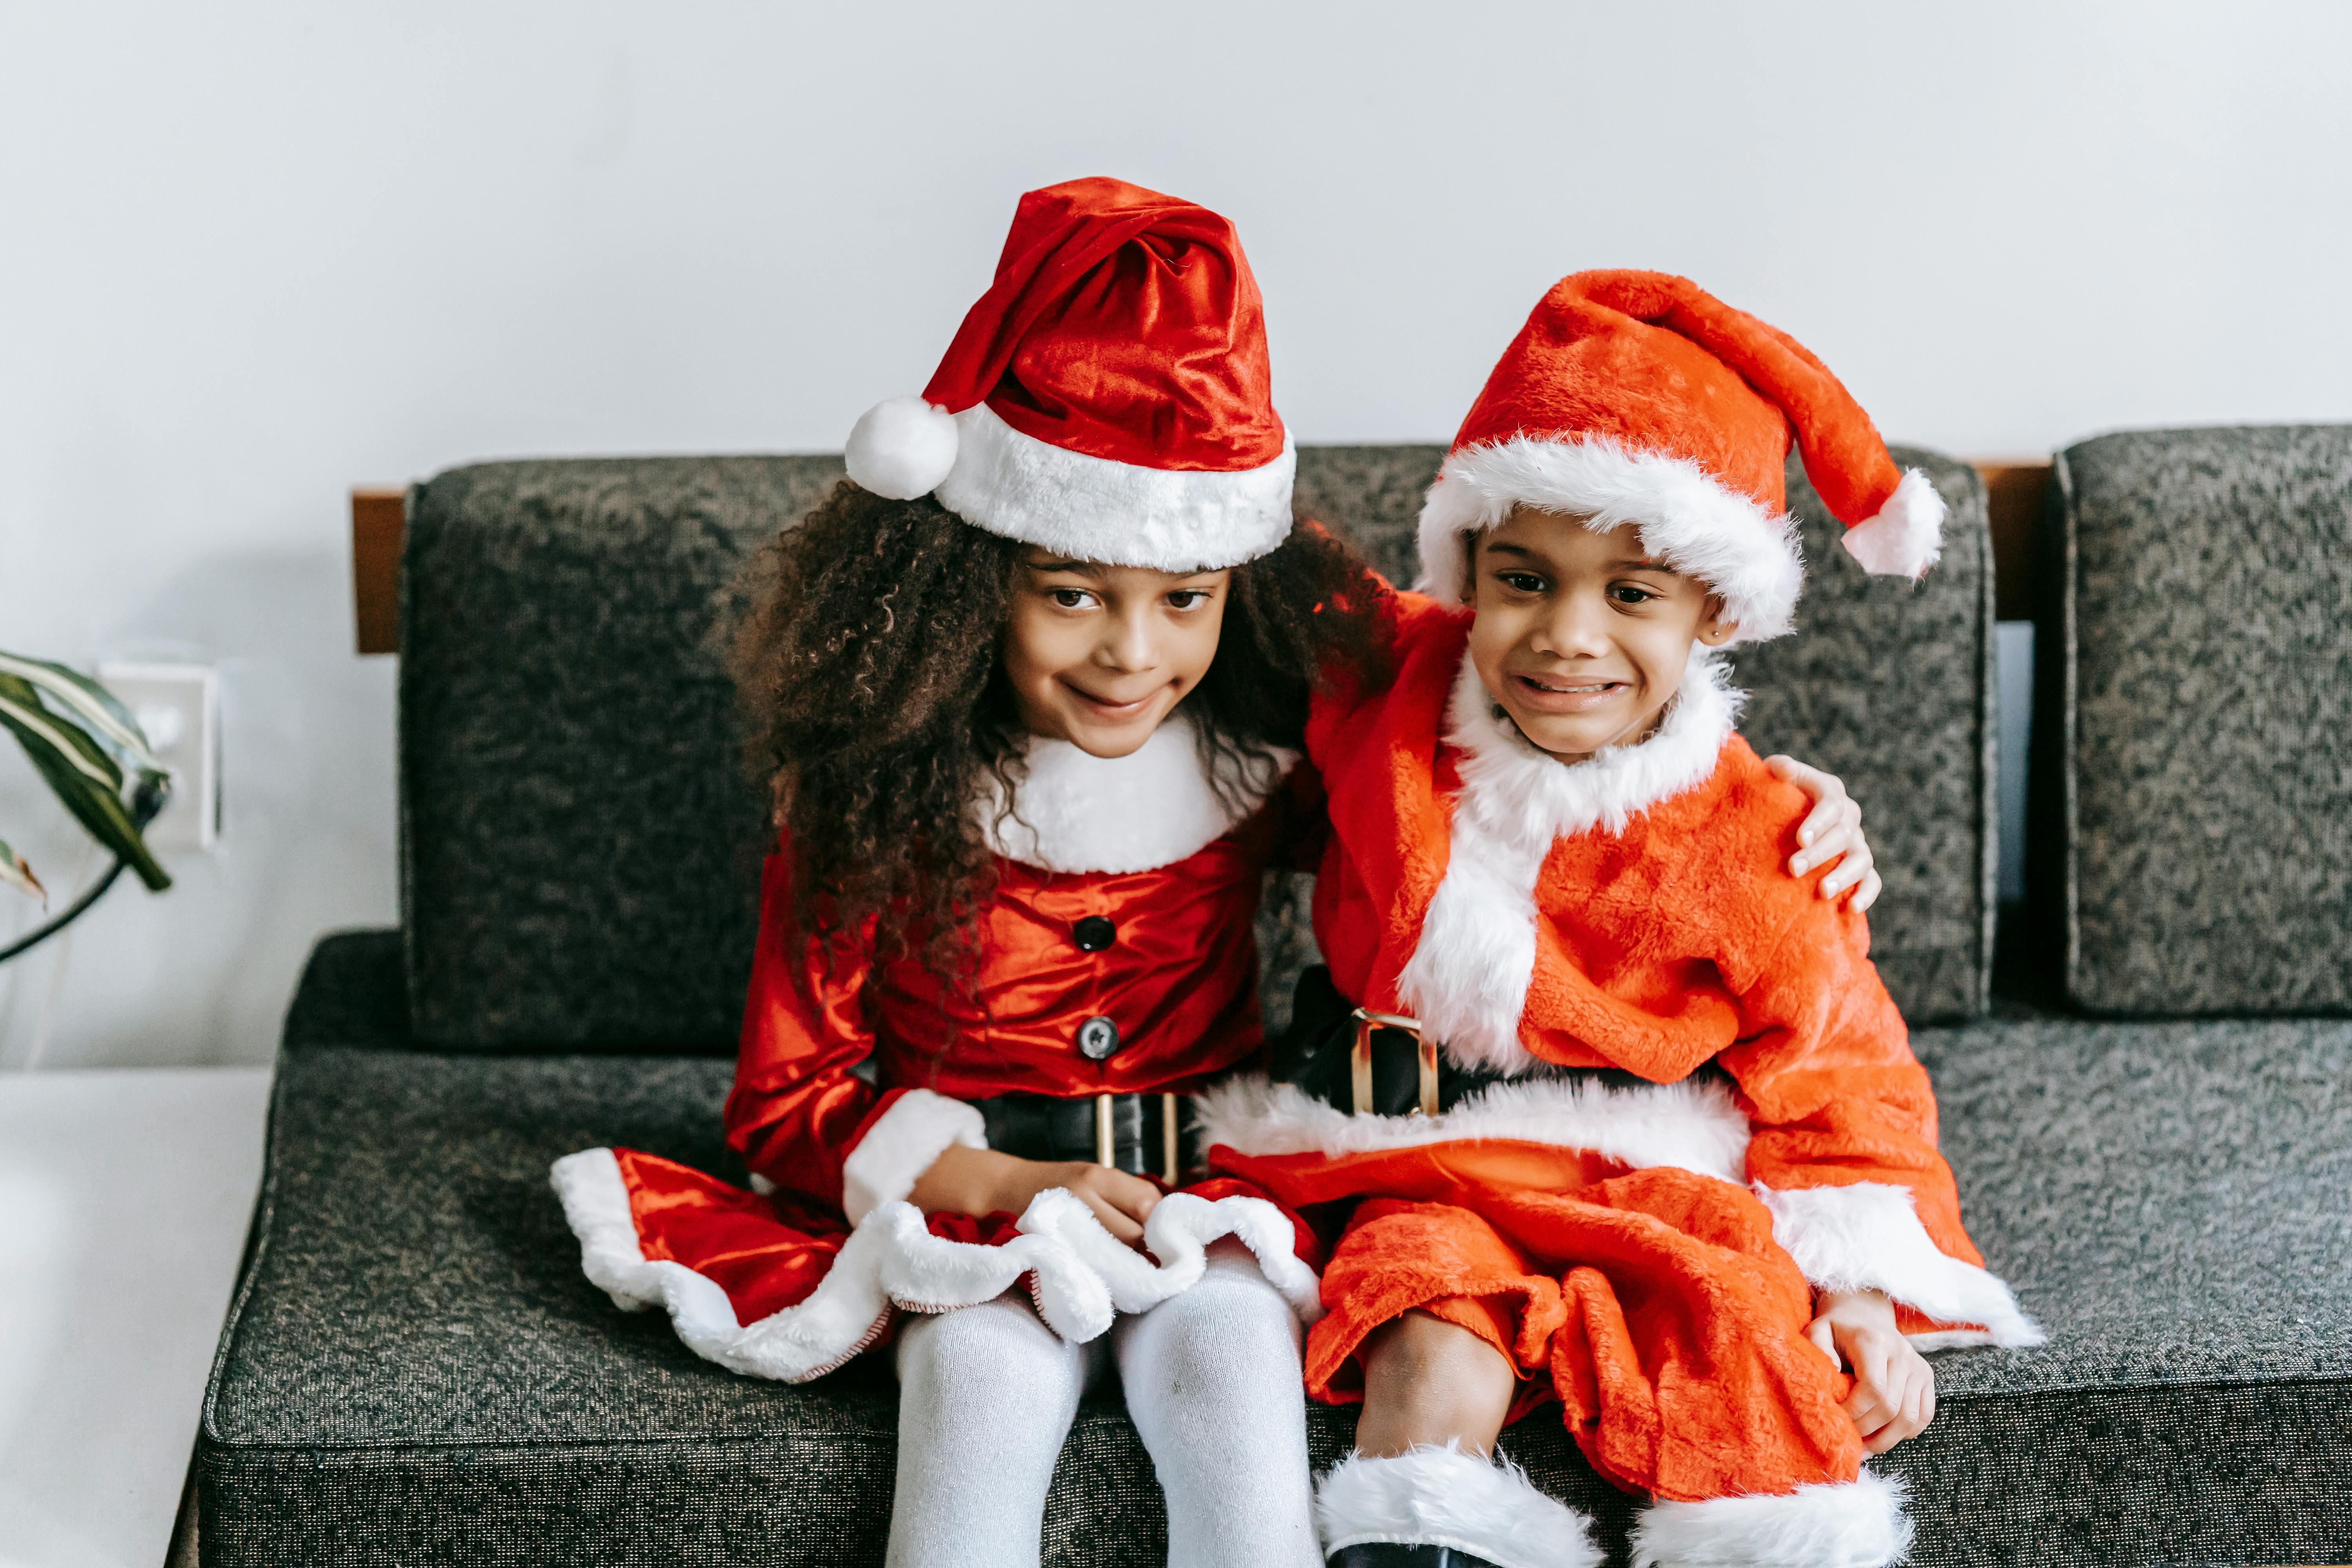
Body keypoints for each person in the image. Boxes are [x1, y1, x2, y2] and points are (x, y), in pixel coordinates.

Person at [551, 193, 1878, 1568]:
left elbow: (1523, 779)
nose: (1134, 650)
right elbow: (786, 1102)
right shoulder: (867, 806)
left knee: (1238, 1378)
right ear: (969, 585)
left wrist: (1775, 796)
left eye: (1183, 597)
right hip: (968, 1199)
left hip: (1220, 1188)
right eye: (1070, 593)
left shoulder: (1272, 762)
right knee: (982, 1385)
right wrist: (1003, 1184)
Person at [1202, 271, 2042, 1568]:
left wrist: (1866, 1293)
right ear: (1468, 570)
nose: (1567, 638)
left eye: (1633, 595)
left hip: (1658, 1190)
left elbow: (1845, 1081)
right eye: (1524, 580)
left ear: (1716, 609)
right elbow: (1219, 539)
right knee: (1425, 1331)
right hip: (1419, 1156)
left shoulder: (1763, 835)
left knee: (1752, 1377)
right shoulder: (1384, 682)